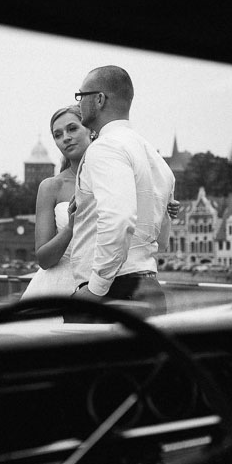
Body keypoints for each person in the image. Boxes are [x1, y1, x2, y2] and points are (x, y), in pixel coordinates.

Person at [69, 65, 176, 315]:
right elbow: (162, 239)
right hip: (149, 286)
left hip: (112, 292)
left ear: (99, 99)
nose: (79, 103)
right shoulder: (157, 161)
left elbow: (119, 218)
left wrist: (96, 288)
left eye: (81, 95)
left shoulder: (105, 148)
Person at [21, 106, 94, 299]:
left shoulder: (114, 178)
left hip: (107, 285)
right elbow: (43, 259)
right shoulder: (51, 186)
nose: (65, 138)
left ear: (90, 130)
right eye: (58, 135)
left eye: (72, 129)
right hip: (57, 289)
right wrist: (70, 228)